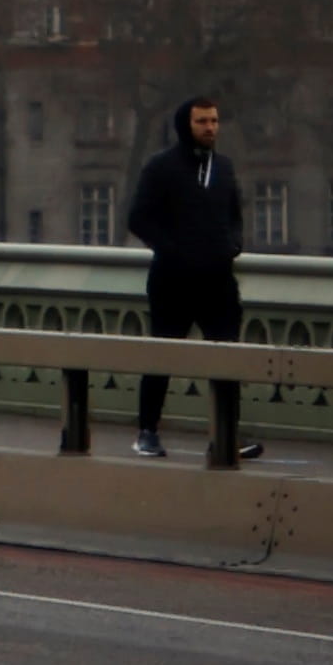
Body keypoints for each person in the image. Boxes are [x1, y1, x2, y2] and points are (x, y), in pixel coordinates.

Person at [126, 92, 259, 465]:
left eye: (214, 121)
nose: (210, 128)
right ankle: (147, 432)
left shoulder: (225, 167)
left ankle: (227, 433)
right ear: (186, 125)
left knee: (227, 357)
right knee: (164, 354)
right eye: (202, 121)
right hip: (173, 280)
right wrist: (174, 251)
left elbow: (234, 214)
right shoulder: (161, 167)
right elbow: (138, 219)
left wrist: (233, 244)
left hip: (218, 280)